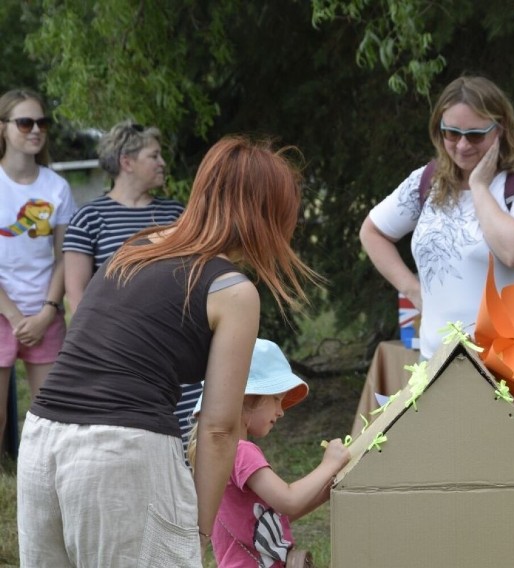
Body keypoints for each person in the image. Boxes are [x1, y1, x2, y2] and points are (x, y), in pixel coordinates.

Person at [16, 136, 317, 567]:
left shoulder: (135, 248)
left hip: (42, 439)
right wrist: (194, 532)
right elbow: (218, 428)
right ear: (266, 216)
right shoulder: (232, 290)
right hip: (119, 454)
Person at [360, 74, 514, 360]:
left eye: (475, 135)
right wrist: (412, 290)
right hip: (436, 364)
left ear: (500, 129)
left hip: (511, 369)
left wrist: (478, 187)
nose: (463, 146)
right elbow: (372, 232)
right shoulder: (427, 180)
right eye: (451, 133)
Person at [62, 120, 196, 451]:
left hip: (172, 348)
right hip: (117, 351)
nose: (162, 163)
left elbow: (192, 279)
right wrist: (101, 351)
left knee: (187, 436)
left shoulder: (176, 214)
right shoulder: (89, 218)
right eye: (154, 155)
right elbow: (76, 296)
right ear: (127, 162)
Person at [188, 338, 350, 568]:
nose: (281, 412)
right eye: (276, 399)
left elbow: (275, 516)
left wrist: (326, 488)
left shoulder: (222, 451)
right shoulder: (242, 451)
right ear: (247, 398)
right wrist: (328, 465)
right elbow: (289, 501)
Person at [0, 88, 76, 453]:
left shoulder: (56, 186)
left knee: (49, 418)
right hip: (3, 312)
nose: (35, 130)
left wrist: (47, 312)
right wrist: (14, 316)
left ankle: (42, 484)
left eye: (41, 122)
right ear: (3, 128)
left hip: (46, 313)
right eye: (25, 122)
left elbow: (66, 256)